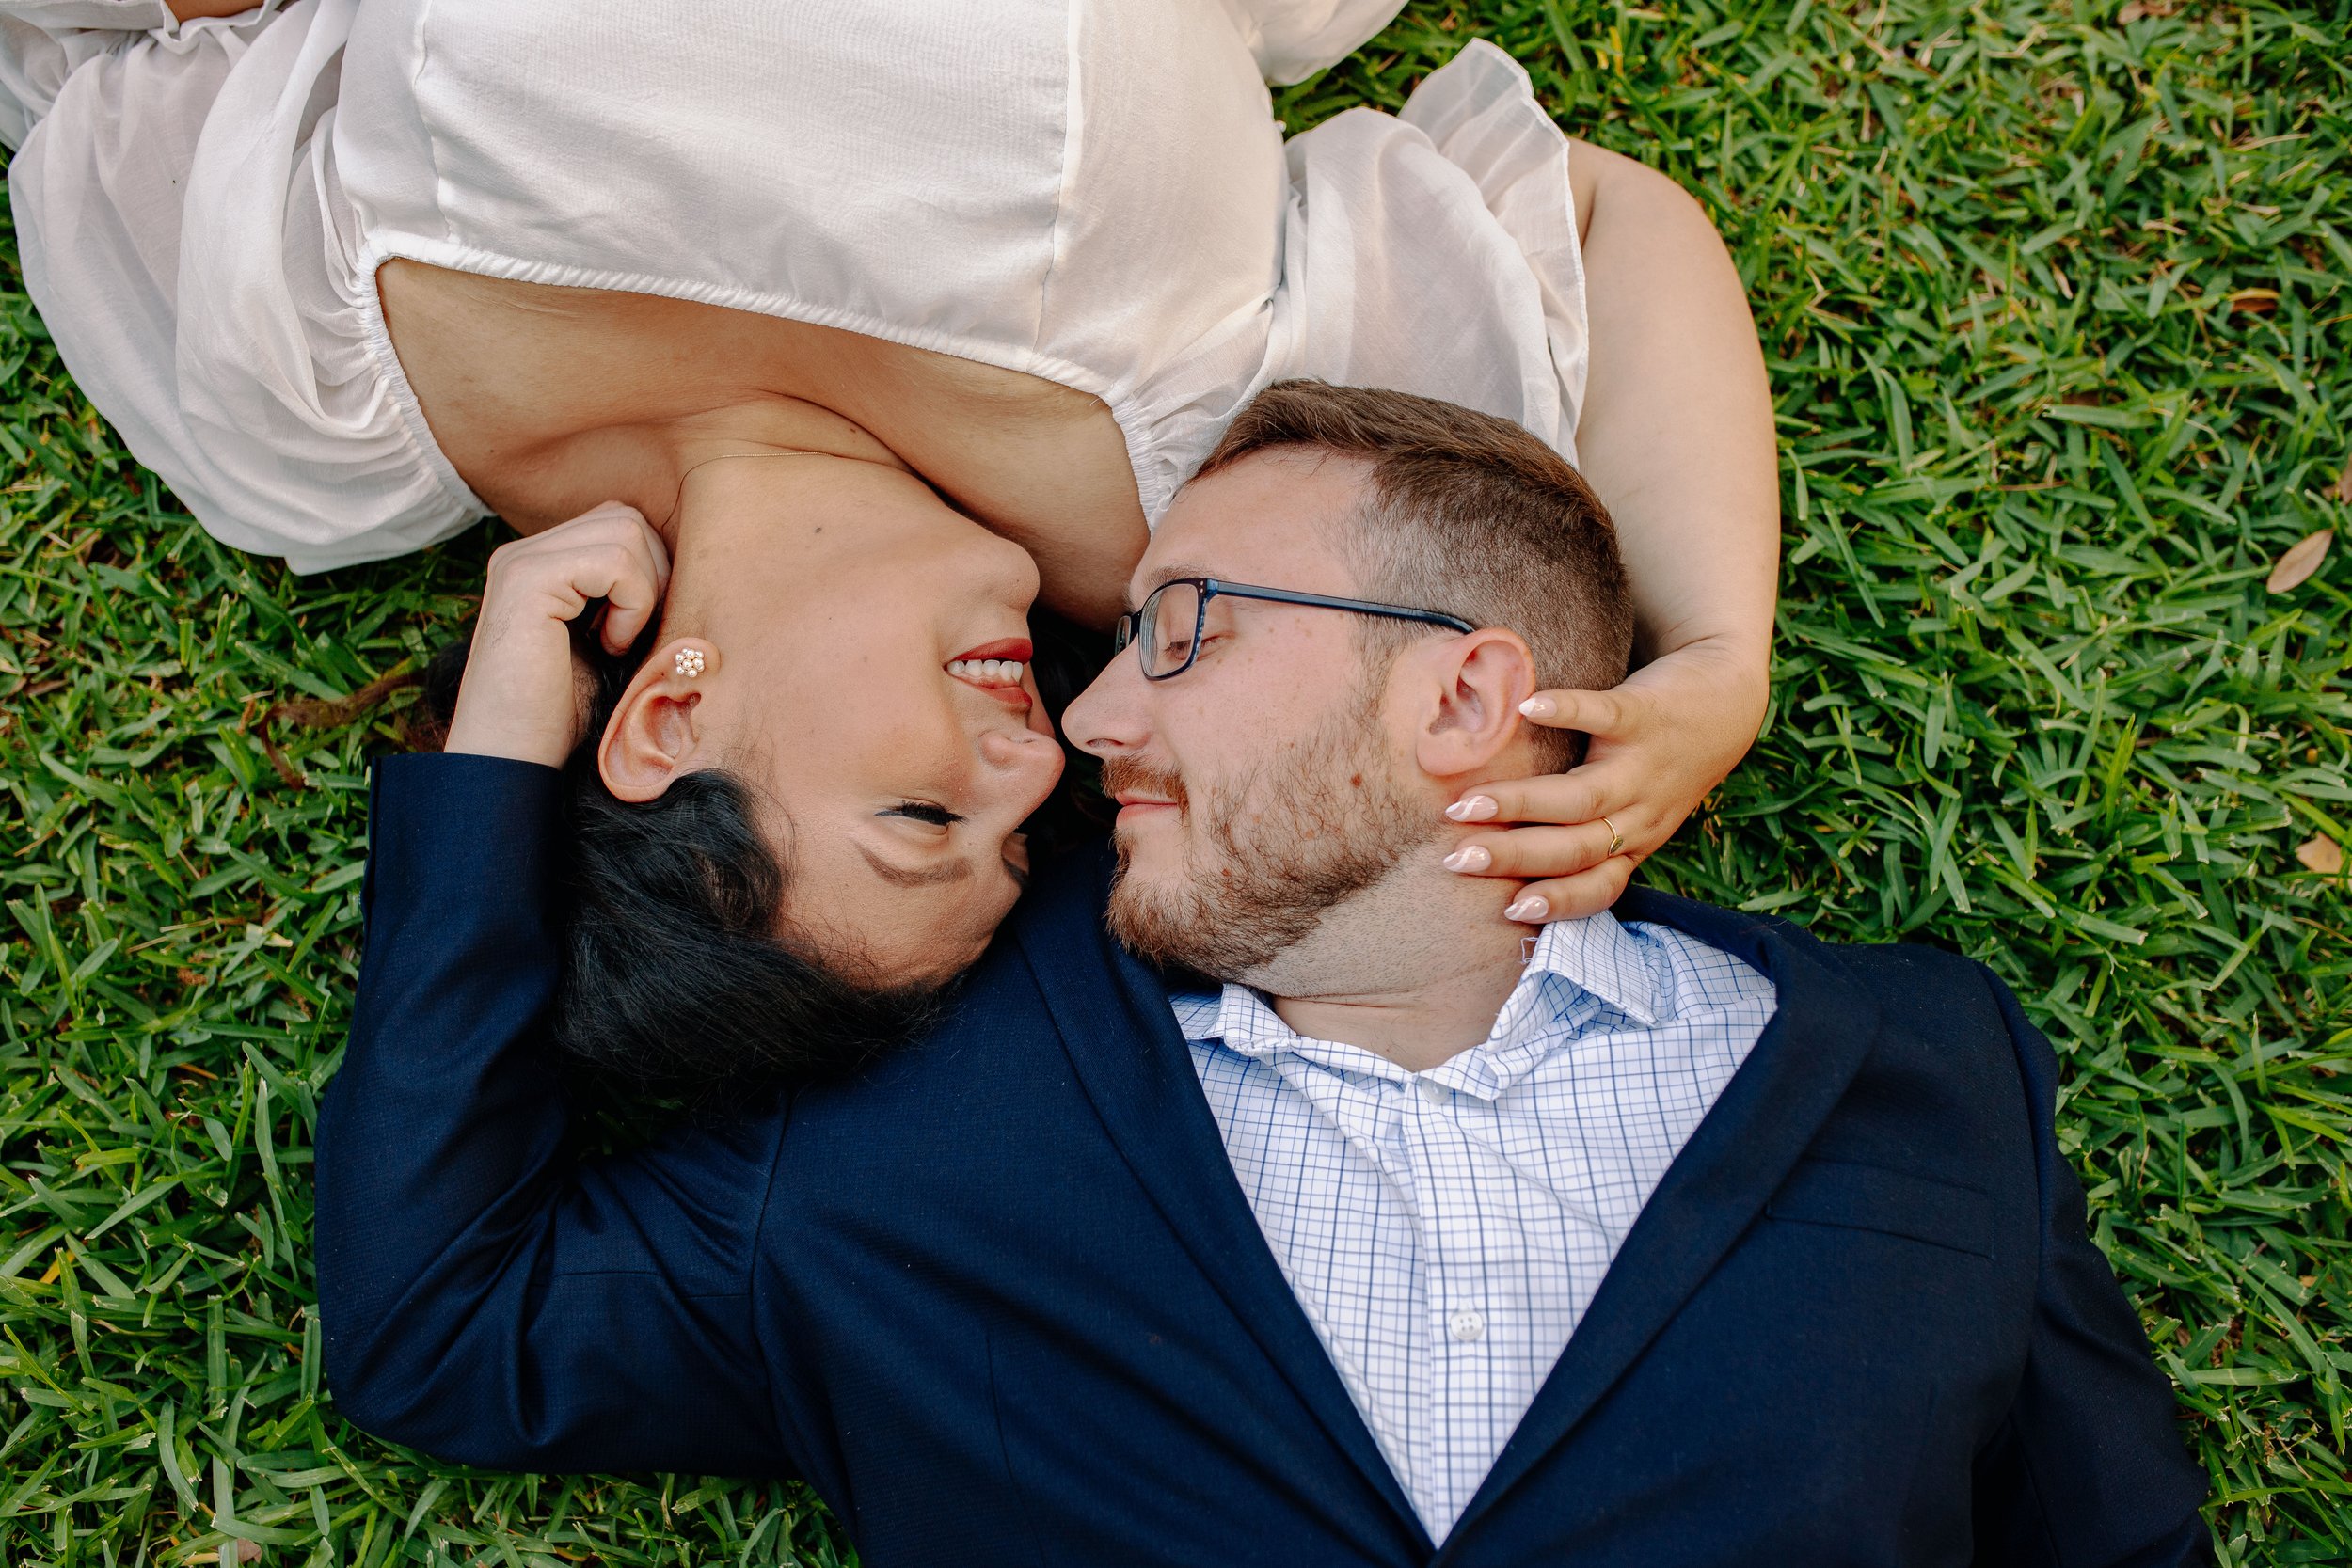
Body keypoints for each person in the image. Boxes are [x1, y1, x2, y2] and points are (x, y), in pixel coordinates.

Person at [318, 382, 2209, 1566]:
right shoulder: (895, 1121)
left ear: (1462, 695)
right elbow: (439, 1328)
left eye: (1186, 630)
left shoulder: (1931, 1072)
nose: (1089, 714)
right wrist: (506, 739)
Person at [3, 0, 1777, 1017]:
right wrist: (1713, 654)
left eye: (927, 816)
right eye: (1023, 838)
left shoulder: (305, 412)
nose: (1041, 763)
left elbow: (107, 48)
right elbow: (1603, 227)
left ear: (667, 718)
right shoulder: (1203, 492)